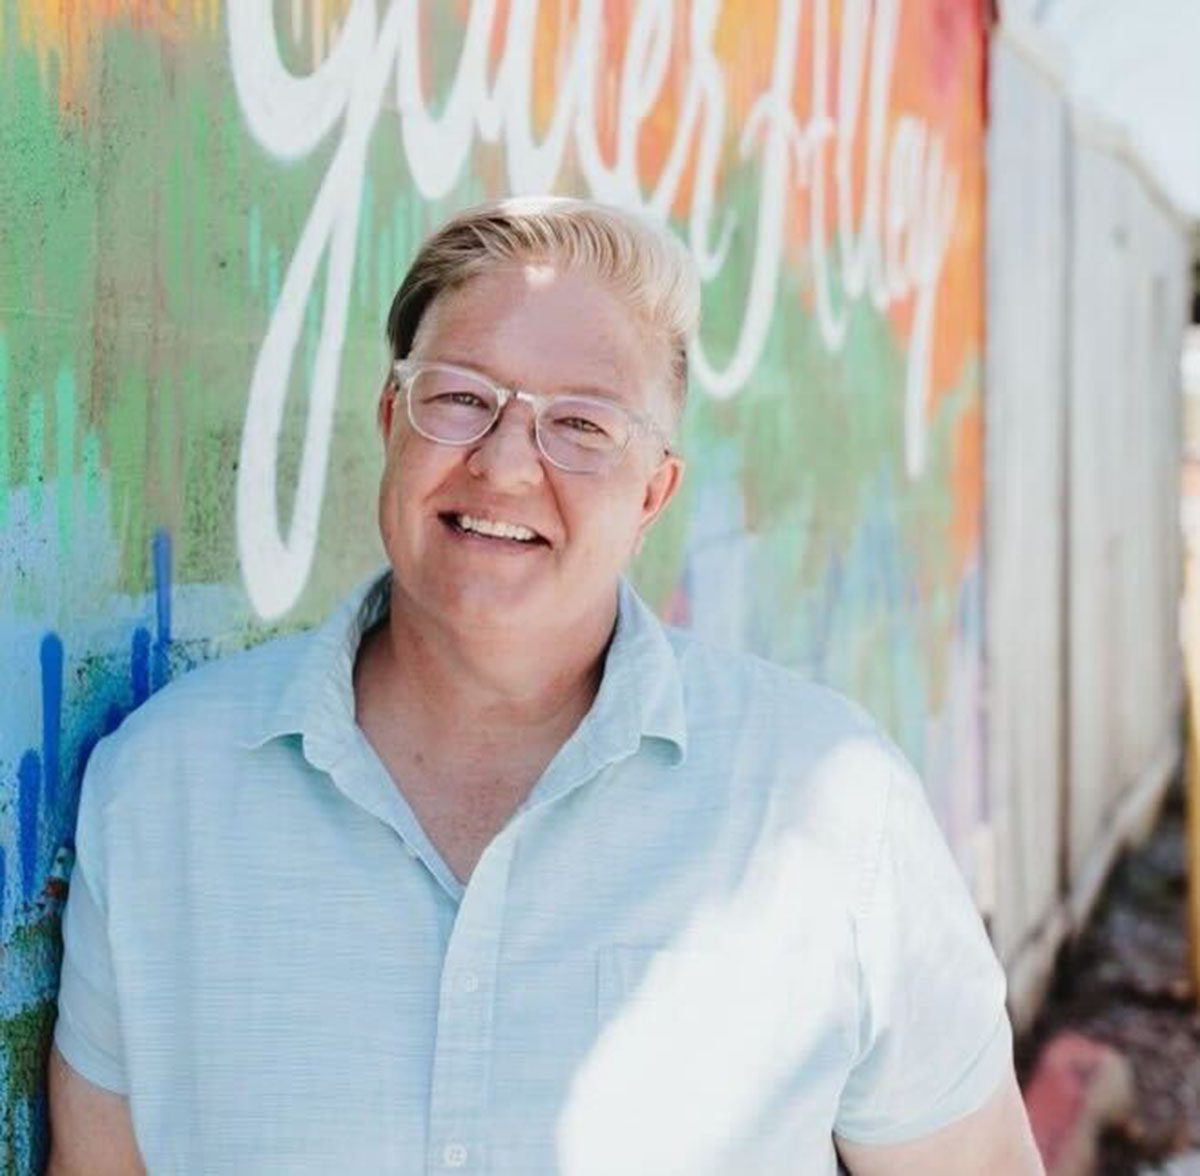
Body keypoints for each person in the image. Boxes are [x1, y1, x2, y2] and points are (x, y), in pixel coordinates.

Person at [48, 197, 1044, 1175]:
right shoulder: (159, 793)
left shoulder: (832, 812)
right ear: (393, 420)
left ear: (653, 492)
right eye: (461, 398)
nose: (507, 464)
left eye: (583, 424)